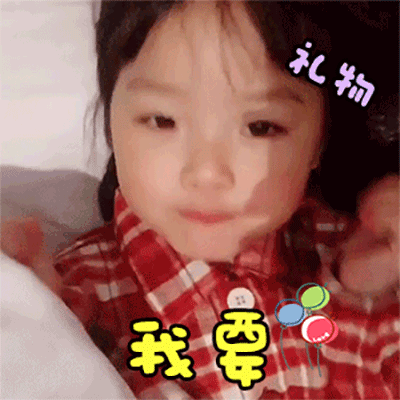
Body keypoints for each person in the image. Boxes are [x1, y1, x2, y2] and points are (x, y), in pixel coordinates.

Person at [2, 1, 398, 399]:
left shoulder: (353, 257)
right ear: (110, 123)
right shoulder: (77, 298)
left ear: (321, 140)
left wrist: (367, 291)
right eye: (162, 121)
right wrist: (29, 308)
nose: (207, 173)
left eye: (261, 127)